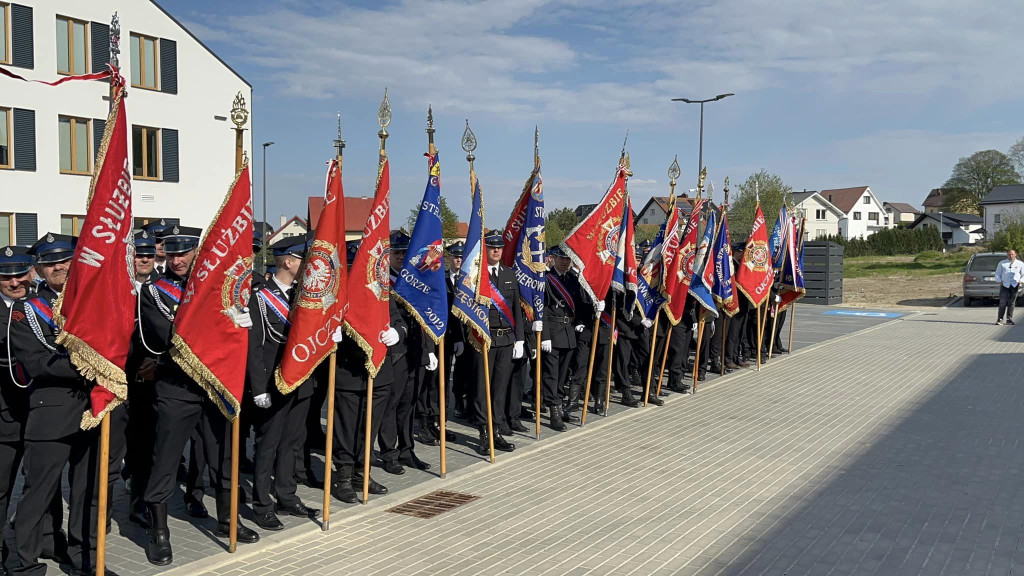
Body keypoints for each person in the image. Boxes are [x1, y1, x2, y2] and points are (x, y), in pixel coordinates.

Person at [139, 225, 259, 566]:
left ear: (198, 253)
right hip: (176, 388)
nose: (178, 260)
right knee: (165, 460)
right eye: (173, 253)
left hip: (215, 386)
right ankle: (158, 533)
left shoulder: (216, 288)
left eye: (185, 253)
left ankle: (227, 519)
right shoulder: (153, 292)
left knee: (222, 455)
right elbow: (169, 336)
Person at [9, 233, 116, 576]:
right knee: (38, 493)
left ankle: (85, 556)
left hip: (95, 407)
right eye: (49, 263)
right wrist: (91, 363)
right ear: (38, 269)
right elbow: (38, 362)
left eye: (63, 261)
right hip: (51, 410)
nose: (57, 268)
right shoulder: (25, 310)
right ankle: (25, 563)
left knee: (87, 491)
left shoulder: (96, 301)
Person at [246, 236, 320, 531]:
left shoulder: (305, 296)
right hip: (272, 382)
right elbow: (255, 347)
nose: (308, 265)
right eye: (303, 259)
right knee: (268, 444)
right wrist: (259, 387)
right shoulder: (260, 298)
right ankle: (262, 504)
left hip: (300, 380)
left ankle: (286, 495)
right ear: (287, 262)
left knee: (292, 442)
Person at [329, 241, 405, 504]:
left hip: (378, 373)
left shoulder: (380, 293)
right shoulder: (336, 294)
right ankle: (344, 478)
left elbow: (397, 321)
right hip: (347, 374)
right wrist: (332, 336)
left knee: (369, 429)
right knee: (346, 430)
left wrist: (397, 333)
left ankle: (363, 474)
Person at [472, 231, 524, 455]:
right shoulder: (476, 276)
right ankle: (484, 433)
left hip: (506, 339)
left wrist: (520, 339)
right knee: (483, 388)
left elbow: (516, 311)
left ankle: (497, 430)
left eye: (499, 248)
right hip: (485, 339)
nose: (496, 251)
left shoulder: (509, 274)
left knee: (500, 388)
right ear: (486, 250)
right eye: (492, 247)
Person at [541, 246, 581, 430]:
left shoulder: (574, 279)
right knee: (551, 374)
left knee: (564, 374)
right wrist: (545, 336)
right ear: (554, 258)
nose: (565, 262)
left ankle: (559, 403)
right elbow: (541, 309)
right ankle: (554, 410)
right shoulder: (546, 280)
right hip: (553, 331)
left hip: (569, 332)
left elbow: (579, 304)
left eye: (567, 259)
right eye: (561, 258)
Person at [996, 249, 1024, 325]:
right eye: (1009, 254)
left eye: (1012, 254)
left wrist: (1021, 281)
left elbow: (1023, 274)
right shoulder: (1002, 263)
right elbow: (998, 273)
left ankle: (1009, 319)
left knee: (1011, 303)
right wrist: (999, 280)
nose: (1011, 256)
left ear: (1015, 255)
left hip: (1014, 285)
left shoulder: (1020, 264)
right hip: (1005, 285)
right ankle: (1000, 319)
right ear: (1007, 255)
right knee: (1003, 302)